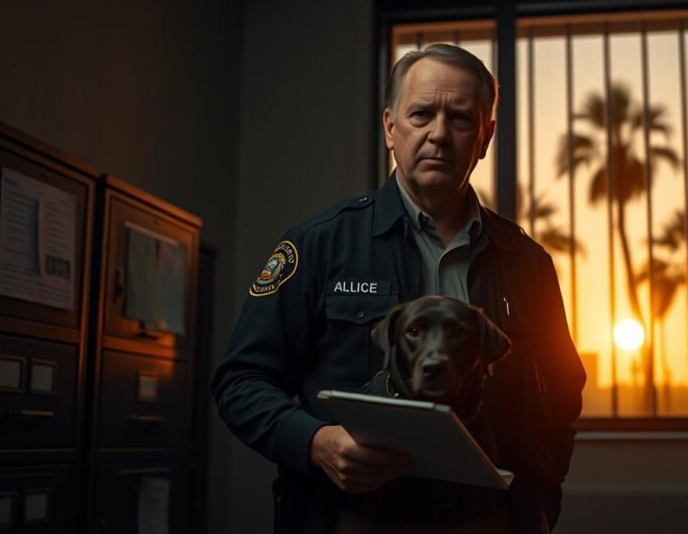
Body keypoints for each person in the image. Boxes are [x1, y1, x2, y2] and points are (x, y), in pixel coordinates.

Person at [212, 43, 586, 533]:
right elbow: (240, 381)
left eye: (460, 118)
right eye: (421, 114)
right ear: (391, 127)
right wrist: (316, 443)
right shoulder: (319, 244)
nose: (439, 134)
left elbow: (561, 393)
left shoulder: (528, 264)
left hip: (487, 521)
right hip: (350, 518)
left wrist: (540, 504)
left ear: (486, 136)